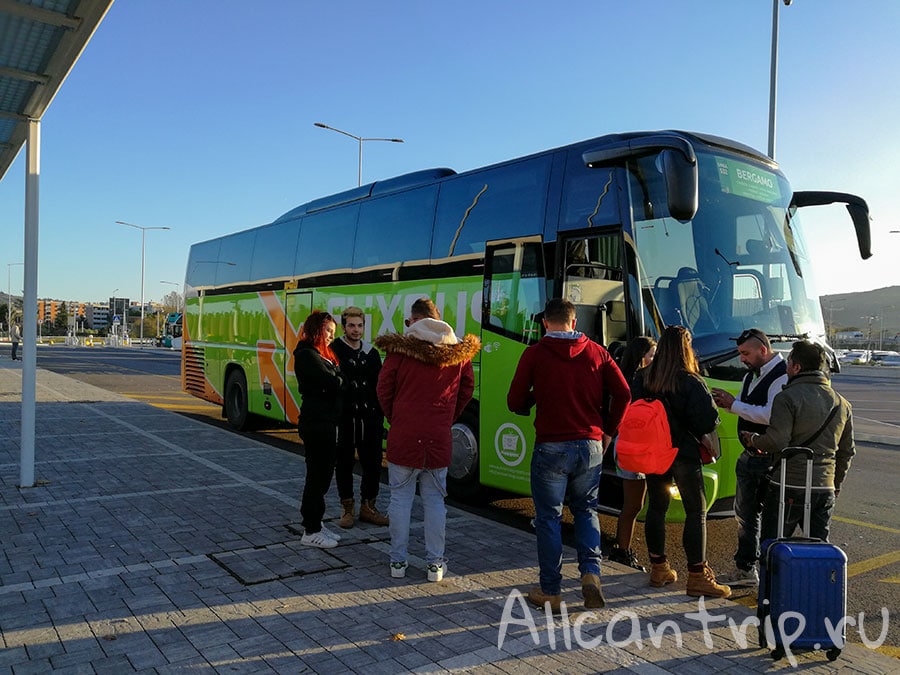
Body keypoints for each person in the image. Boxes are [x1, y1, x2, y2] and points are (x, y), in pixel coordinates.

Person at [507, 298, 631, 611]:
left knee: (549, 518)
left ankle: (551, 590)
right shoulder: (597, 352)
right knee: (586, 510)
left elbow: (514, 400)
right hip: (589, 445)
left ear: (545, 323)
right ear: (574, 323)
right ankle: (591, 574)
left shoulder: (535, 354)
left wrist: (535, 398)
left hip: (551, 445)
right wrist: (608, 431)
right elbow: (624, 393)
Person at [375, 297, 480, 582]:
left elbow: (384, 389)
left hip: (404, 436)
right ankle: (435, 564)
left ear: (415, 319)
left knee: (400, 499)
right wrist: (447, 417)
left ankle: (398, 562)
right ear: (437, 318)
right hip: (438, 437)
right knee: (435, 501)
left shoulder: (399, 352)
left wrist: (396, 418)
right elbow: (466, 391)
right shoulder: (459, 354)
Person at [630, 325, 731, 599]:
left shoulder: (643, 377)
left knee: (656, 507)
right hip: (683, 454)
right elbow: (707, 421)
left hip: (653, 452)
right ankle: (697, 576)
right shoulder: (690, 381)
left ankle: (659, 567)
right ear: (686, 348)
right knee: (695, 511)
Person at [743, 340, 854, 544]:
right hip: (824, 487)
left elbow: (777, 441)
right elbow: (846, 451)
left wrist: (754, 440)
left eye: (788, 363)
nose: (786, 368)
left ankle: (770, 576)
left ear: (796, 367)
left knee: (773, 546)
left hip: (788, 485)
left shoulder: (787, 398)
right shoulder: (842, 403)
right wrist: (836, 483)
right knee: (818, 548)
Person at [711, 328, 788, 588]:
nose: (741, 358)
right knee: (745, 514)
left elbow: (770, 415)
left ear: (762, 350)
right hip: (750, 455)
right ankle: (746, 569)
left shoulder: (782, 376)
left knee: (768, 519)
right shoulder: (751, 375)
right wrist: (728, 404)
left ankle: (767, 573)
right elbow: (747, 408)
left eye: (745, 353)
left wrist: (733, 405)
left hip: (768, 458)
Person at [332, 306, 388, 529]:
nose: (356, 330)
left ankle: (368, 507)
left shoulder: (371, 352)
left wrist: (379, 414)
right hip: (345, 419)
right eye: (352, 325)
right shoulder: (334, 350)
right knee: (344, 463)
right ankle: (347, 508)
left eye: (360, 325)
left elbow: (380, 385)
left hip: (370, 419)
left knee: (373, 463)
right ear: (344, 326)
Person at [294, 311, 345, 549]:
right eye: (327, 331)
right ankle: (310, 530)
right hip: (316, 422)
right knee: (317, 476)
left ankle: (316, 522)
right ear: (316, 329)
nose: (330, 337)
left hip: (326, 421)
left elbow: (336, 378)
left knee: (324, 475)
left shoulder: (322, 355)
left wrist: (337, 378)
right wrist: (338, 378)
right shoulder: (306, 354)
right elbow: (332, 382)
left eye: (333, 333)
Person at [608, 335, 657, 572]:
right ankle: (622, 551)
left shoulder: (626, 378)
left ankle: (623, 548)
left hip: (627, 446)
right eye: (652, 355)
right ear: (641, 357)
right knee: (633, 505)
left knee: (634, 504)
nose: (655, 359)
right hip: (633, 448)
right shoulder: (639, 382)